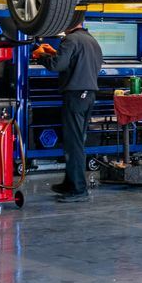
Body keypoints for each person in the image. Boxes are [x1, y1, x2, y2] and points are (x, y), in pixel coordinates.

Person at [37, 21, 103, 203]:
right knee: (76, 141)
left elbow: (57, 65)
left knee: (74, 143)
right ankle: (70, 183)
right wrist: (53, 52)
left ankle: (79, 190)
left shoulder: (70, 40)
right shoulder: (91, 40)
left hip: (75, 95)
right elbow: (73, 62)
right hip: (88, 95)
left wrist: (41, 56)